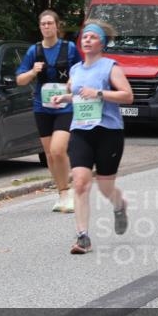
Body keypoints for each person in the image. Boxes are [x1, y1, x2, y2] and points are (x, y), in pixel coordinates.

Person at [51, 21, 132, 255]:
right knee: (80, 182)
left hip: (108, 132)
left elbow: (127, 96)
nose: (87, 40)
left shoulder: (110, 67)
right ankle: (83, 236)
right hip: (80, 131)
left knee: (106, 186)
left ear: (102, 43)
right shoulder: (76, 70)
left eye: (92, 37)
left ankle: (119, 204)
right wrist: (63, 99)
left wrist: (98, 92)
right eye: (84, 37)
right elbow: (76, 96)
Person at [16, 9, 82, 213]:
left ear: (56, 25)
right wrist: (32, 71)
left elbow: (81, 69)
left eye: (49, 23)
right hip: (42, 106)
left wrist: (72, 80)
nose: (46, 27)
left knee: (58, 149)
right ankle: (62, 192)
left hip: (65, 106)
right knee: (49, 155)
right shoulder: (33, 51)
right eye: (43, 24)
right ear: (40, 27)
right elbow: (20, 80)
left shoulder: (69, 48)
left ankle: (67, 191)